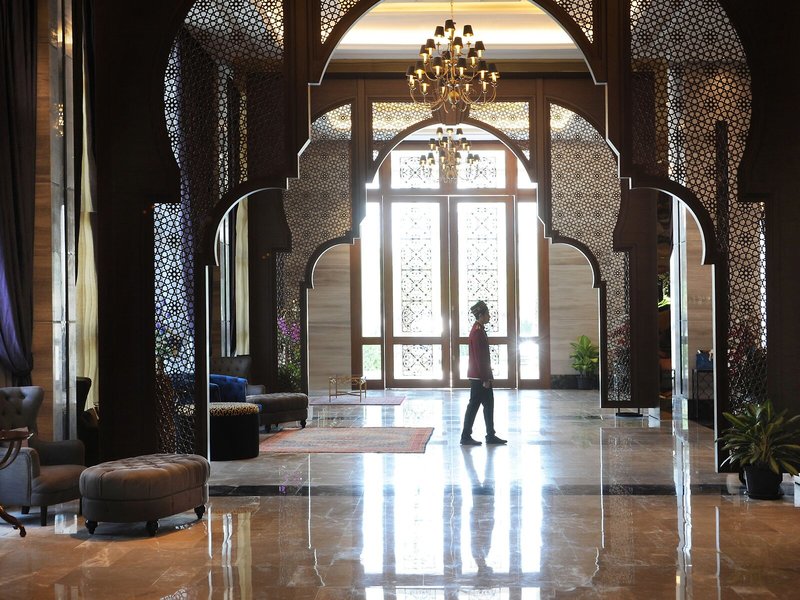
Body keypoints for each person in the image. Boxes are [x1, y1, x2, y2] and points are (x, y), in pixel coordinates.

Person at [460, 301, 507, 446]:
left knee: (488, 404)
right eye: (487, 314)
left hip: (481, 375)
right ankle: (465, 436)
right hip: (479, 377)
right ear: (481, 315)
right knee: (473, 406)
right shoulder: (477, 332)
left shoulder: (479, 329)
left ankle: (490, 435)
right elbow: (480, 358)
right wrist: (485, 378)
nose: (489, 316)